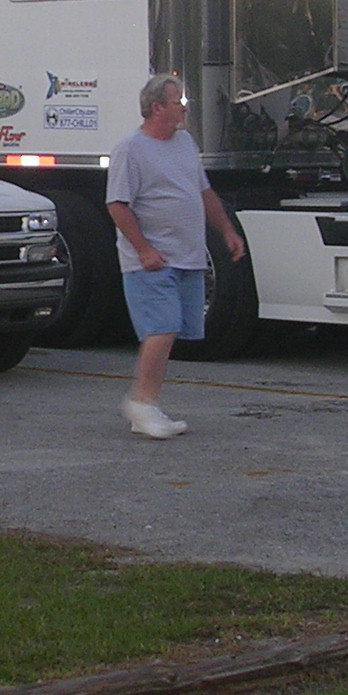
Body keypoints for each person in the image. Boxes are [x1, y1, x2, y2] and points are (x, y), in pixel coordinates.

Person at [105, 73, 246, 438]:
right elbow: (118, 205)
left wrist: (227, 230)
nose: (184, 108)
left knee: (172, 332)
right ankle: (141, 402)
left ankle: (148, 407)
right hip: (151, 260)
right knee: (162, 328)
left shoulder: (184, 143)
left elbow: (203, 192)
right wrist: (144, 249)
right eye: (177, 102)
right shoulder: (130, 149)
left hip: (187, 257)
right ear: (156, 108)